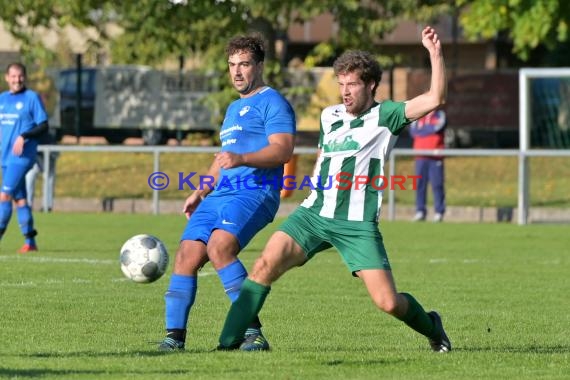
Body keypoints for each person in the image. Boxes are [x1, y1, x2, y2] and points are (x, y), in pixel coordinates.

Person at [217, 26, 451, 353]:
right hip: (313, 215)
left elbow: (435, 98)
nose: (345, 91)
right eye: (340, 84)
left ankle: (432, 326)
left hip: (356, 224)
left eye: (352, 84)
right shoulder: (331, 116)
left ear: (370, 85)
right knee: (263, 265)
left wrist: (435, 54)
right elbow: (324, 158)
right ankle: (227, 345)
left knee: (387, 302)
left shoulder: (387, 115)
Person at [158, 35, 296, 352]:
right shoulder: (234, 108)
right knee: (186, 255)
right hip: (220, 194)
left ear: (259, 66)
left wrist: (242, 159)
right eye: (232, 65)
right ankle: (173, 338)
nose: (237, 72)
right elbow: (223, 157)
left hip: (255, 191)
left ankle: (253, 333)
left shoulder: (272, 101)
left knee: (220, 247)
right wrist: (201, 190)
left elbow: (283, 150)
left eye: (244, 64)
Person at [0, 63, 49, 254]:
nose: (16, 80)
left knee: (4, 195)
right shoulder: (2, 99)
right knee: (20, 200)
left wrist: (24, 136)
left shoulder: (31, 98)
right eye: (13, 76)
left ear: (25, 77)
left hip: (21, 157)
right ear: (7, 78)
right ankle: (30, 242)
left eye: (20, 76)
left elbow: (43, 125)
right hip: (4, 158)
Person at [409, 108, 446, 222]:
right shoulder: (418, 116)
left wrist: (423, 130)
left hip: (435, 157)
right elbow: (413, 132)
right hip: (420, 157)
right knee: (420, 185)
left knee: (437, 185)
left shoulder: (440, 115)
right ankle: (420, 211)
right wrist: (428, 130)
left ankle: (439, 212)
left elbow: (438, 127)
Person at [25, 126, 59, 212]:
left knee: (49, 178)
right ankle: (28, 205)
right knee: (29, 177)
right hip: (34, 158)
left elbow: (55, 151)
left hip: (47, 158)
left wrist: (52, 157)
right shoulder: (28, 130)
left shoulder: (48, 134)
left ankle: (47, 206)